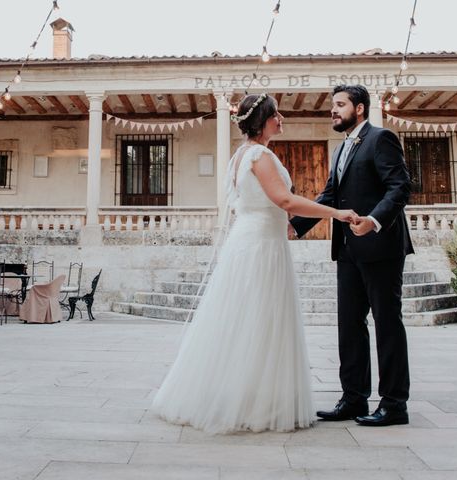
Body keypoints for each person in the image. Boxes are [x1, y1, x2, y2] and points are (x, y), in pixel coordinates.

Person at [151, 93, 357, 434]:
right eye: (277, 114)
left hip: (253, 240)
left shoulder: (240, 156)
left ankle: (250, 397)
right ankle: (253, 403)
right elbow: (285, 199)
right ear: (264, 119)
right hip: (261, 246)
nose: (282, 119)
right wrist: (337, 213)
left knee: (248, 322)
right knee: (260, 320)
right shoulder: (259, 155)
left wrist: (287, 223)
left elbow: (266, 204)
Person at [290, 84, 414, 427]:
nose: (333, 110)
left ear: (359, 109)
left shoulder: (381, 138)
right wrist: (294, 224)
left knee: (387, 324)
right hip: (346, 250)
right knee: (349, 325)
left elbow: (400, 186)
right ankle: (354, 398)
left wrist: (373, 220)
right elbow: (330, 194)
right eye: (333, 105)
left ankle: (393, 404)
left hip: (381, 246)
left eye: (340, 105)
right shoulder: (343, 148)